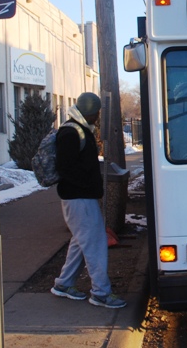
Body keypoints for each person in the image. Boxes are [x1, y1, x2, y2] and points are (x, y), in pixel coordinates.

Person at [50, 92, 126, 309]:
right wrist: (89, 185)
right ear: (90, 112)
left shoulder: (77, 129)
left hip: (79, 196)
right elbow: (66, 168)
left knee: (80, 241)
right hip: (79, 198)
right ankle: (101, 292)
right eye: (96, 113)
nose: (98, 117)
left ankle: (64, 284)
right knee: (95, 243)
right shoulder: (72, 133)